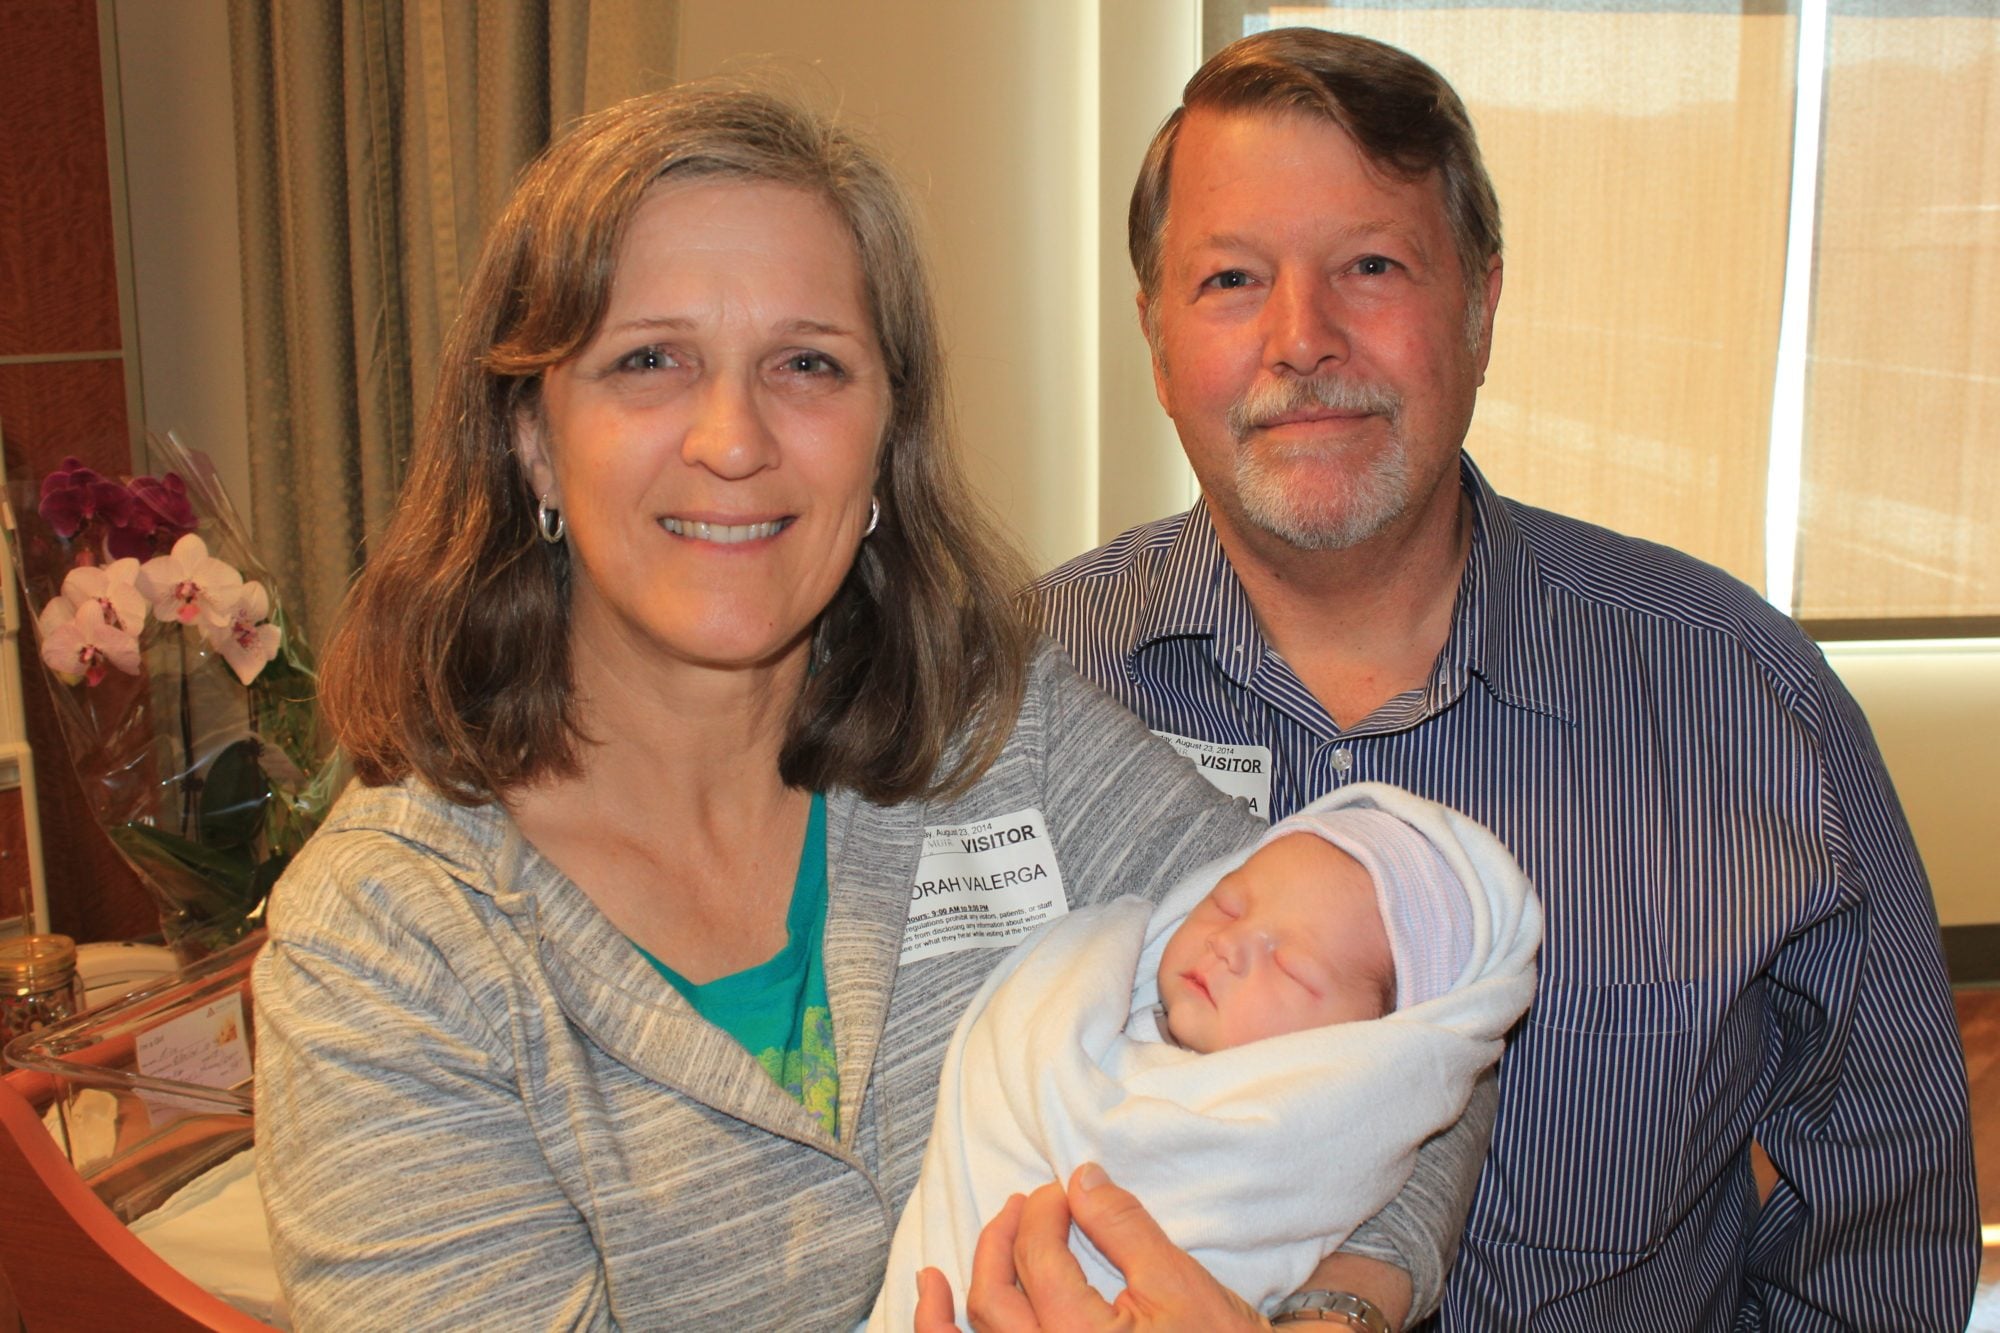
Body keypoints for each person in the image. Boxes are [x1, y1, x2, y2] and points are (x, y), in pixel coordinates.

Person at [250, 84, 1475, 1331]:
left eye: (807, 364)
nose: (733, 439)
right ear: (531, 440)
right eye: (649, 360)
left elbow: (1406, 1019)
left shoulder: (1001, 736)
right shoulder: (390, 943)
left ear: (886, 434)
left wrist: (1325, 1316)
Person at [1034, 26, 1980, 1330]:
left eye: (1370, 266)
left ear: (1479, 308)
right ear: (1154, 338)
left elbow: (1881, 1222)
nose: (1302, 338)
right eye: (1232, 278)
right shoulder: (1001, 701)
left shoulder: (1747, 703)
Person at [871, 782, 1540, 1331]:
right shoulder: (1096, 1006)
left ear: (1369, 1055)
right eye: (1227, 903)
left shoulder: (1299, 1140)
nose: (1230, 943)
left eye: (1292, 966)